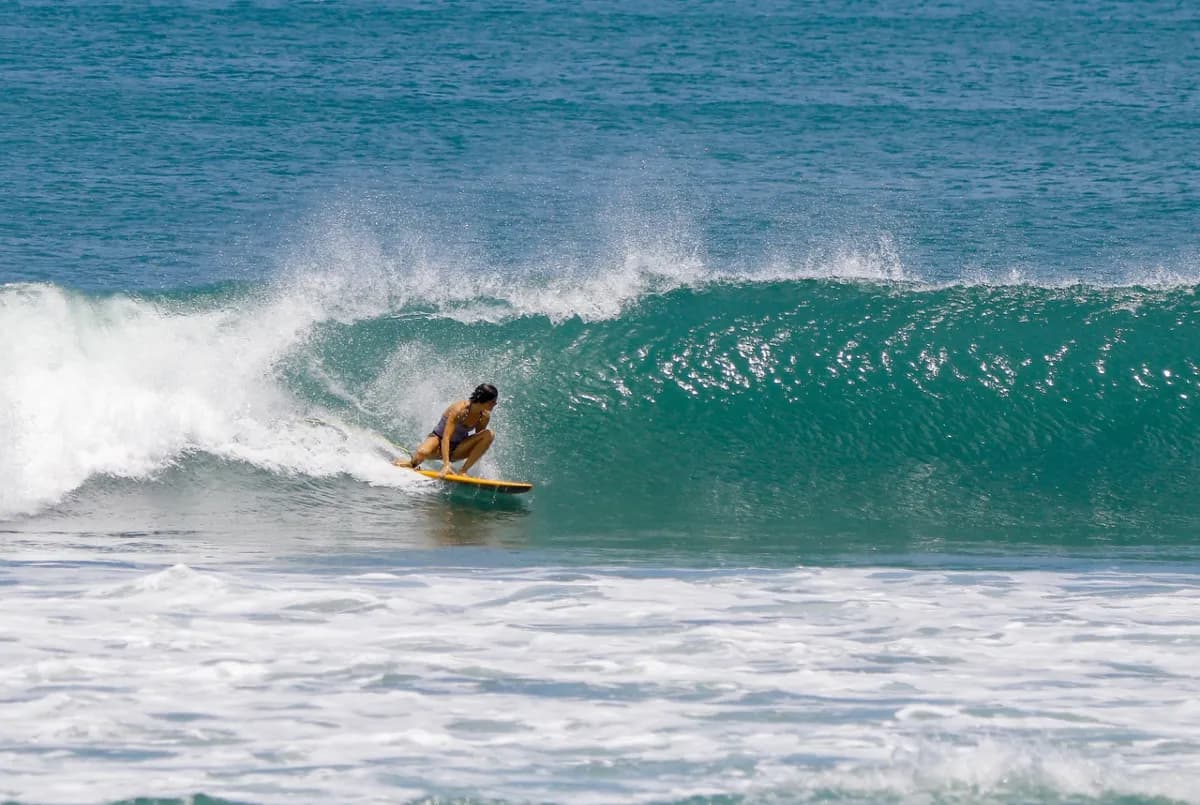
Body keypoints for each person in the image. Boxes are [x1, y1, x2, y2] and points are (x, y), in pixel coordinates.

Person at [394, 383, 499, 477]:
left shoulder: (484, 416)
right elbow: (446, 437)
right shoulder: (459, 410)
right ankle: (412, 463)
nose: (495, 404)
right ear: (484, 400)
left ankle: (463, 471)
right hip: (439, 442)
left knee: (489, 434)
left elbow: (479, 441)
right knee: (422, 453)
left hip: (459, 448)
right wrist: (446, 465)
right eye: (493, 401)